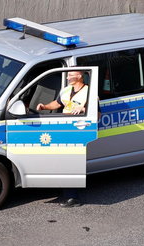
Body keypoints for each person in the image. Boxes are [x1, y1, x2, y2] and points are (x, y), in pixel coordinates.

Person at [37, 70, 89, 207]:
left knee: (69, 163)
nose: (67, 77)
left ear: (79, 76)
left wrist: (83, 109)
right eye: (68, 75)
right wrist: (44, 106)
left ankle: (73, 198)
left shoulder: (89, 92)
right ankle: (65, 191)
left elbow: (98, 114)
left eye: (71, 75)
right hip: (65, 128)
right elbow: (58, 103)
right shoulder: (66, 90)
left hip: (78, 130)